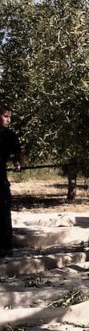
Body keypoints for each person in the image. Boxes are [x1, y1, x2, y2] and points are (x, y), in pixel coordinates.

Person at [0, 103, 25, 257]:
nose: (8, 120)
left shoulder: (10, 136)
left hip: (0, 180)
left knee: (3, 212)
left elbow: (18, 155)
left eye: (10, 117)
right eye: (5, 116)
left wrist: (18, 164)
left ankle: (5, 247)